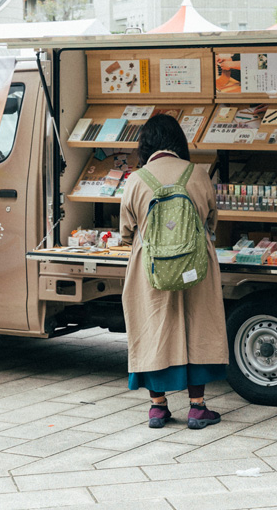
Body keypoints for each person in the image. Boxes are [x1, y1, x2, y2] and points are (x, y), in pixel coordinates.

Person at [120, 114, 228, 430]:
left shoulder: (136, 180)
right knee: (198, 326)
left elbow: (127, 232)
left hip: (150, 267)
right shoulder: (198, 174)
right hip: (195, 265)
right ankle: (197, 407)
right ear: (178, 142)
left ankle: (157, 407)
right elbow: (211, 220)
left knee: (153, 327)